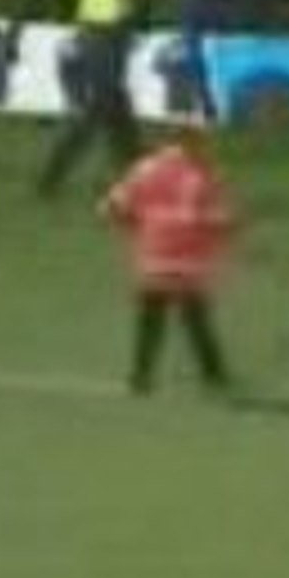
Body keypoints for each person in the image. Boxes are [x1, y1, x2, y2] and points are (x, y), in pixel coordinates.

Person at [100, 124, 237, 396]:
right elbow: (217, 218)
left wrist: (134, 225)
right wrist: (222, 227)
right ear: (191, 142)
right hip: (188, 261)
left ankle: (140, 378)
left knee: (151, 319)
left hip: (153, 257)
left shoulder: (144, 169)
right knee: (195, 319)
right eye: (201, 142)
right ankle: (215, 376)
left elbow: (111, 207)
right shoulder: (201, 173)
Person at [37, 0, 149, 197]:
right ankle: (52, 177)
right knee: (100, 111)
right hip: (110, 38)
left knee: (118, 111)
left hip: (88, 34)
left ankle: (138, 175)